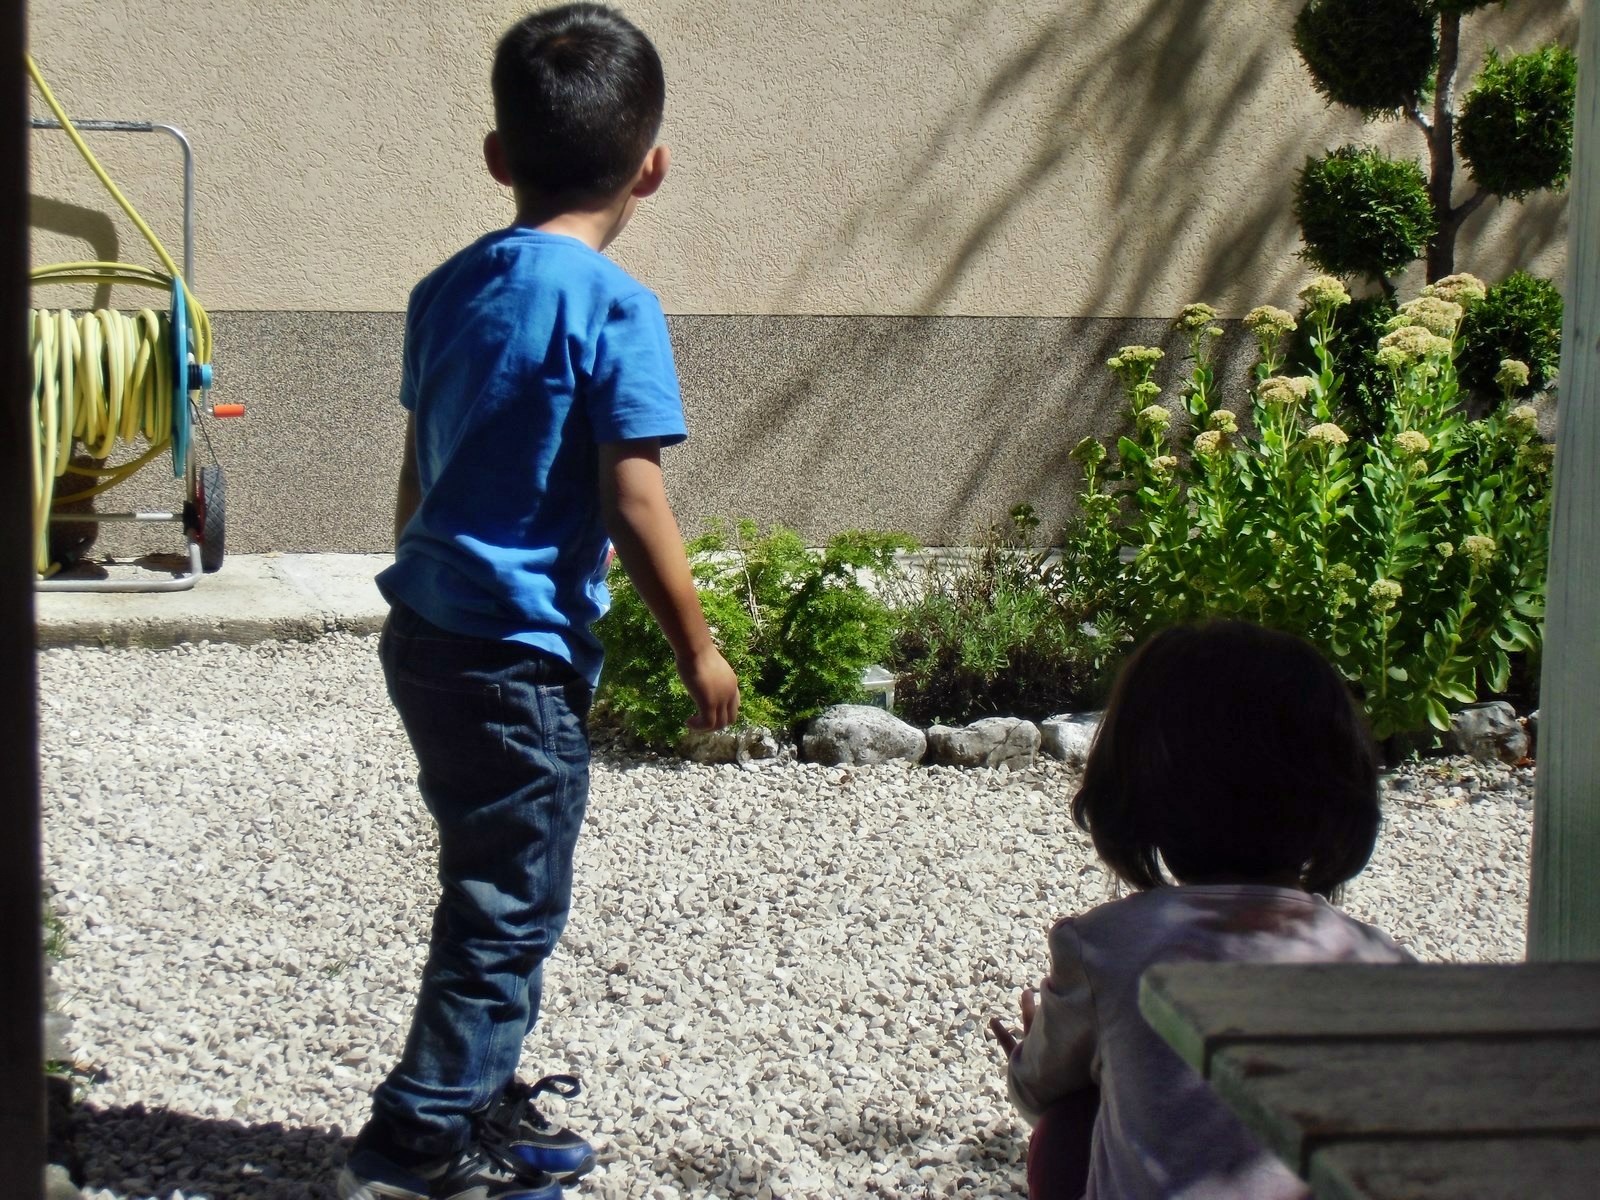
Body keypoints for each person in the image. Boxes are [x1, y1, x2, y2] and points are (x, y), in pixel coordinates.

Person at [339, 6, 739, 1199]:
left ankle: (480, 1086)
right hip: (516, 662)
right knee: (508, 906)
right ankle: (416, 1144)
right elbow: (633, 500)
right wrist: (698, 650)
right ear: (652, 167)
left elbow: (423, 466)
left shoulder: (444, 288)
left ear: (497, 157)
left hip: (428, 637)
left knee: (494, 880)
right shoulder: (615, 306)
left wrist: (430, 565)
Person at [1001, 620, 1413, 1200]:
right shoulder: (1383, 963)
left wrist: (1033, 1042)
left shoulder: (1106, 947)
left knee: (1068, 1131)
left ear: (1135, 788)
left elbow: (1036, 1092)